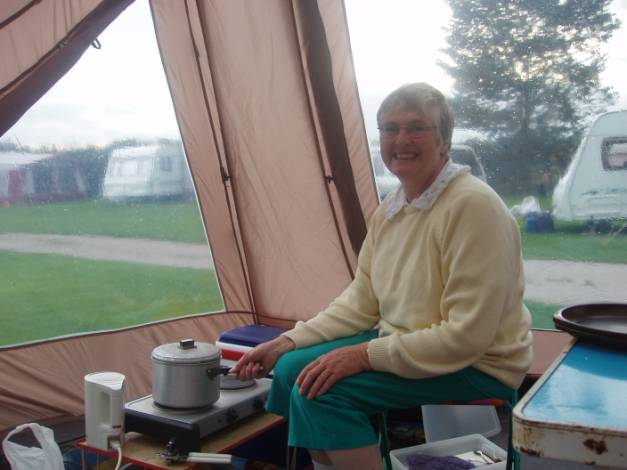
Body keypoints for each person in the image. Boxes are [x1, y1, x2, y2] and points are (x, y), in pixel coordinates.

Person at [232, 82, 532, 470]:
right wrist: (286, 341)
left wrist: (363, 356)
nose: (401, 140)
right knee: (291, 371)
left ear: (444, 142)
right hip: (406, 342)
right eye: (390, 129)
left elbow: (466, 337)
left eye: (416, 127)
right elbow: (360, 301)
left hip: (478, 364)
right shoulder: (393, 207)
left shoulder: (474, 207)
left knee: (321, 393)